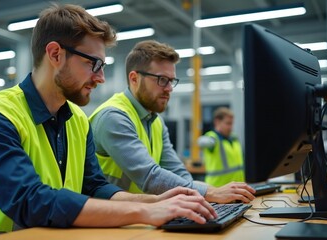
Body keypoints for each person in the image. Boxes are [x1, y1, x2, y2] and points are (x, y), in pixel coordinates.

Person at [0, 4, 217, 239]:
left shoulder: (78, 119)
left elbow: (94, 186)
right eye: (94, 64)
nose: (101, 77)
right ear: (55, 54)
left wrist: (153, 202)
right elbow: (31, 202)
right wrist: (143, 211)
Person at [89, 40, 255, 204]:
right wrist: (210, 192)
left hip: (142, 216)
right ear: (134, 79)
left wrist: (199, 199)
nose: (169, 88)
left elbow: (177, 171)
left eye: (171, 81)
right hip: (110, 222)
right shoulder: (114, 117)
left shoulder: (156, 121)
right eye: (162, 80)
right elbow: (149, 176)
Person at [197, 107, 245, 187]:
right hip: (217, 189)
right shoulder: (213, 139)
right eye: (228, 123)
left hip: (237, 188)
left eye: (232, 123)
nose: (231, 127)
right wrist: (208, 141)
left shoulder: (234, 139)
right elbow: (201, 142)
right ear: (217, 122)